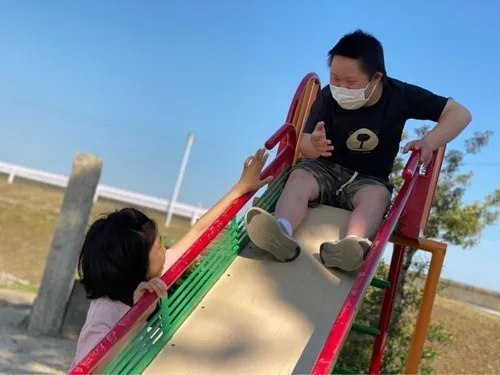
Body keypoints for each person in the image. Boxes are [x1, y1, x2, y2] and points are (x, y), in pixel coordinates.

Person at [244, 29, 472, 271]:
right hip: (323, 169)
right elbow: (305, 145)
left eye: (350, 82)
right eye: (335, 79)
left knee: (379, 197)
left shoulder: (401, 95)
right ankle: (281, 231)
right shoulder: (327, 96)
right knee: (299, 177)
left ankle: (351, 246)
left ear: (376, 78)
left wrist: (428, 142)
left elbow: (460, 114)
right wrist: (314, 145)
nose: (340, 87)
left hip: (368, 181)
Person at [70, 148, 273, 372]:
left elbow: (198, 232)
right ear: (135, 262)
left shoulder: (151, 273)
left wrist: (240, 189)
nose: (166, 250)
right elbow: (91, 370)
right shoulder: (103, 318)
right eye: (158, 245)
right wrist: (136, 318)